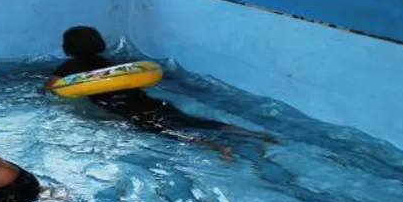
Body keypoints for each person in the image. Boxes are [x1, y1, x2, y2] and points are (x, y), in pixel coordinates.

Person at [43, 26, 274, 160]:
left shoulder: (68, 69)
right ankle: (250, 133)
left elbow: (50, 90)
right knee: (191, 120)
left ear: (67, 48)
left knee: (167, 131)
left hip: (124, 111)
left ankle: (216, 147)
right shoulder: (111, 64)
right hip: (147, 102)